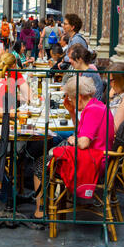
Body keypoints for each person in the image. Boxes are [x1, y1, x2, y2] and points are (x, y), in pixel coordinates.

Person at [31, 76, 115, 219]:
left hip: (93, 162)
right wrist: (71, 111)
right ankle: (56, 202)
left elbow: (83, 142)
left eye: (71, 98)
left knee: (40, 164)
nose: (71, 101)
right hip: (95, 158)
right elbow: (82, 131)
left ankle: (41, 211)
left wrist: (74, 140)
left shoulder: (92, 110)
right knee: (48, 158)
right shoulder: (96, 105)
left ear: (80, 96)